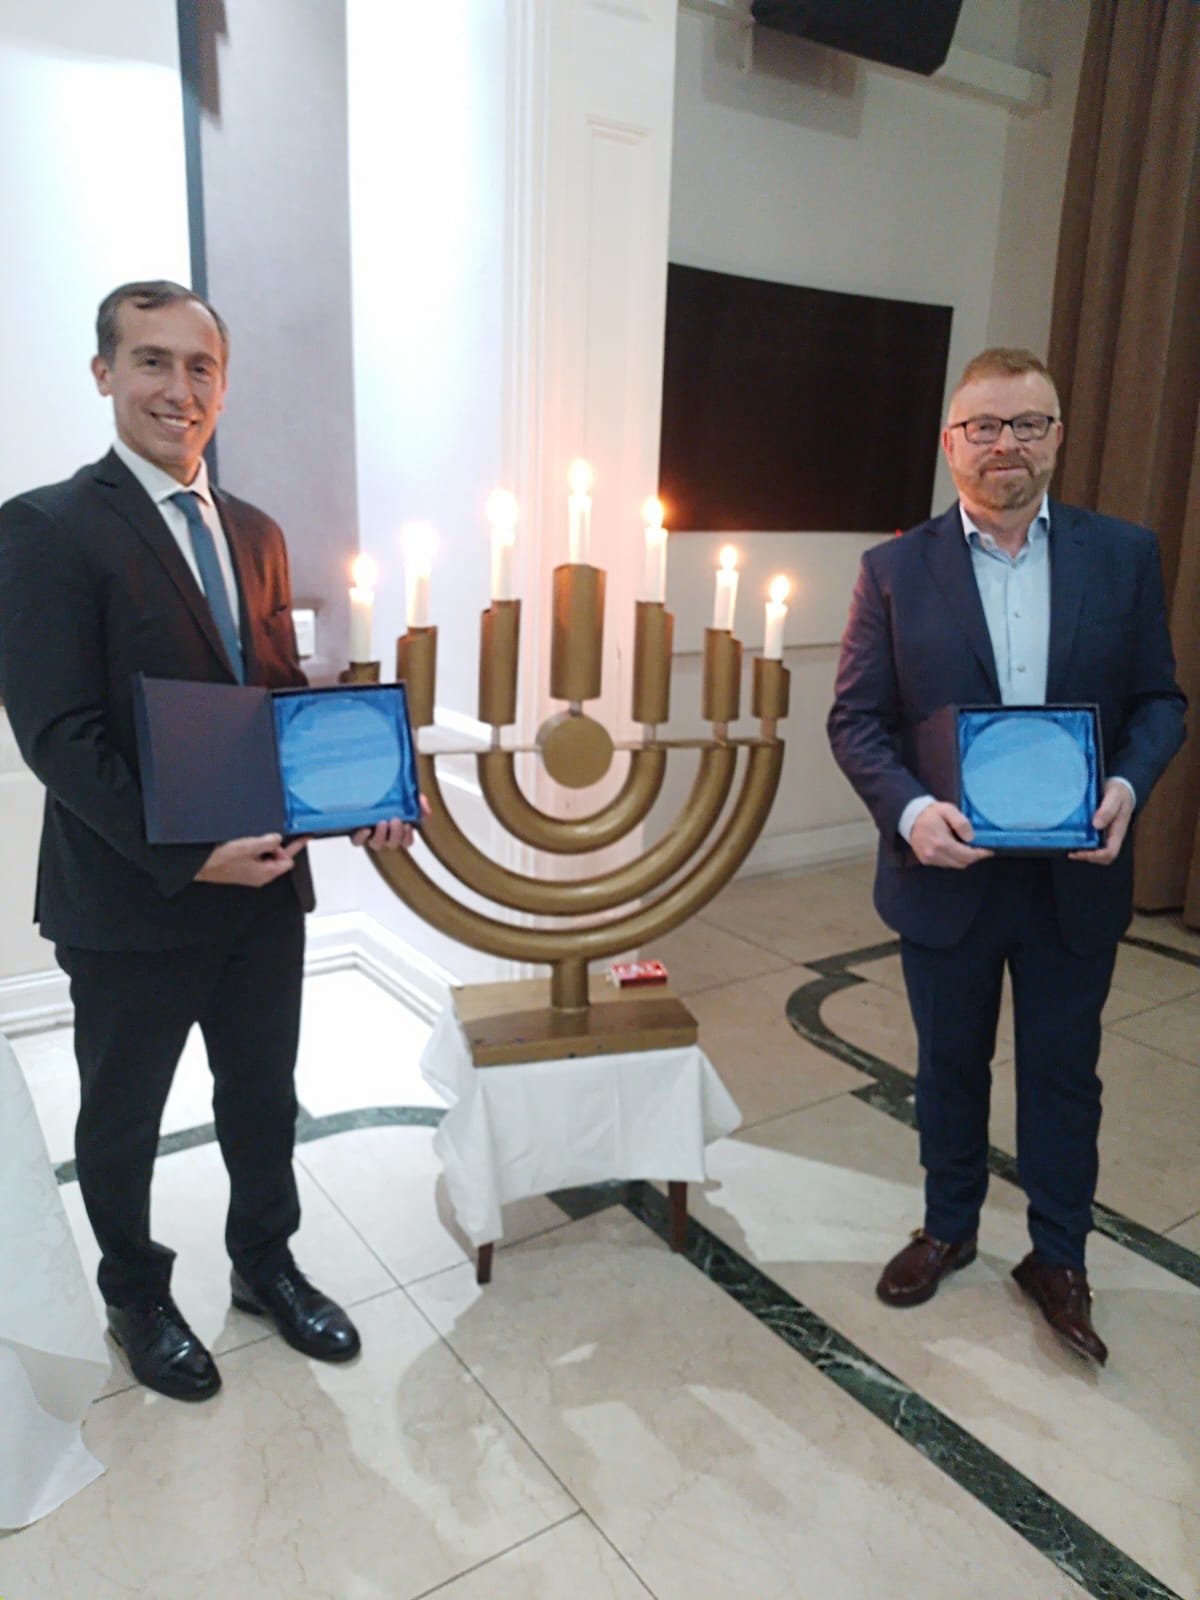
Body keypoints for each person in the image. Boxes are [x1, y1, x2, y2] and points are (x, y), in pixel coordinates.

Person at [0, 280, 419, 1402]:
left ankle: (264, 1264)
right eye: (151, 361)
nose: (177, 389)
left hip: (264, 887)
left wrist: (359, 789)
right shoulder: (43, 526)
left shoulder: (257, 531)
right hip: (132, 895)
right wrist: (187, 855)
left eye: (200, 367)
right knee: (124, 1115)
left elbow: (271, 697)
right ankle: (136, 1296)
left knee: (262, 1096)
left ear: (222, 387)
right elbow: (57, 736)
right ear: (105, 373)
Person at [827, 347, 1186, 1366]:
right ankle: (948, 1228)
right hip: (947, 874)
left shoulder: (1125, 555)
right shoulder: (893, 571)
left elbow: (1160, 701)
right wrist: (909, 814)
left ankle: (1058, 1256)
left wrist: (1126, 788)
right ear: (951, 444)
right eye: (983, 425)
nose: (1005, 444)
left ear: (1057, 438)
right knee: (948, 1066)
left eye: (1028, 423)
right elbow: (856, 721)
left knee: (1066, 1076)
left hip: (1078, 878)